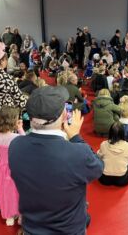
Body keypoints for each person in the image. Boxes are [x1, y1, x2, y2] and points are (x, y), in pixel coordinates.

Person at [9, 86, 104, 234]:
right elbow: (98, 168)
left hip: (32, 227)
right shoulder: (78, 153)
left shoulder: (15, 146)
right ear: (65, 115)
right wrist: (76, 137)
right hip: (68, 230)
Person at [0, 106, 25, 226]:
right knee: (17, 191)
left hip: (1, 166)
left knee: (5, 191)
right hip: (15, 167)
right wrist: (20, 129)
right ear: (13, 121)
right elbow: (26, 144)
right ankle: (20, 214)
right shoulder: (15, 138)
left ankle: (8, 216)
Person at [98, 121, 128, 186]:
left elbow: (99, 156)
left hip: (104, 179)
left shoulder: (103, 144)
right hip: (122, 180)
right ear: (123, 133)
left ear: (110, 132)